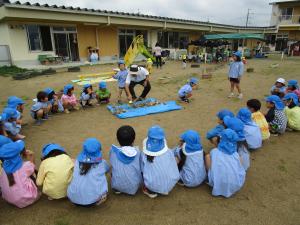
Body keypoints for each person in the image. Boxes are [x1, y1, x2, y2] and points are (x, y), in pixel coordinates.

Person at [205, 128, 246, 198]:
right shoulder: (236, 154)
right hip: (235, 185)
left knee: (207, 156)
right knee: (239, 161)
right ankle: (233, 178)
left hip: (217, 183)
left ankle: (210, 176)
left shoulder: (214, 151)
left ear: (221, 139)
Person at [67, 138, 109, 206]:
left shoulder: (77, 162)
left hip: (73, 198)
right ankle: (101, 197)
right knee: (102, 178)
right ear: (99, 150)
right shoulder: (102, 163)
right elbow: (107, 170)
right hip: (93, 201)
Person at [141, 125, 179, 198]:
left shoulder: (144, 154)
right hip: (171, 183)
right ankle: (164, 186)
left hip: (152, 185)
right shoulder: (169, 152)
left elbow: (142, 170)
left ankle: (150, 191)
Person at [0, 140, 40, 208]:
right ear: (19, 154)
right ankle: (34, 194)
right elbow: (32, 167)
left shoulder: (3, 167)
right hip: (25, 199)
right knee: (33, 173)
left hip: (9, 198)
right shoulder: (25, 166)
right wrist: (32, 156)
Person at [109, 125, 142, 195]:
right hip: (134, 187)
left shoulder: (113, 150)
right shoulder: (138, 152)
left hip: (116, 186)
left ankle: (118, 188)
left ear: (117, 139)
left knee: (113, 168)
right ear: (134, 139)